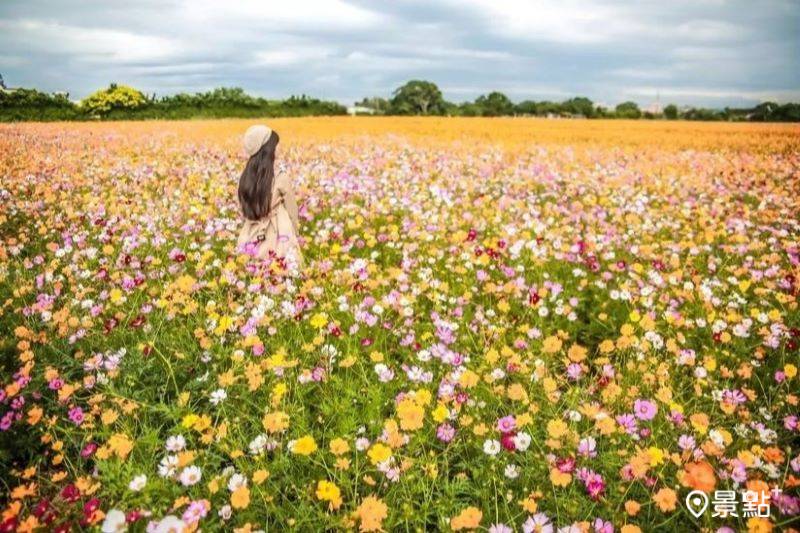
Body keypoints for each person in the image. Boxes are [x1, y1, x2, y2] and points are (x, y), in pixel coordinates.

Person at [237, 125, 303, 268]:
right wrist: (296, 231)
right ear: (268, 150)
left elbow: (244, 207)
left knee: (253, 271)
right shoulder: (280, 177)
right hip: (278, 234)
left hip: (250, 234)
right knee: (280, 270)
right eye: (275, 145)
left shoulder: (245, 179)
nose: (277, 149)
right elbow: (292, 211)